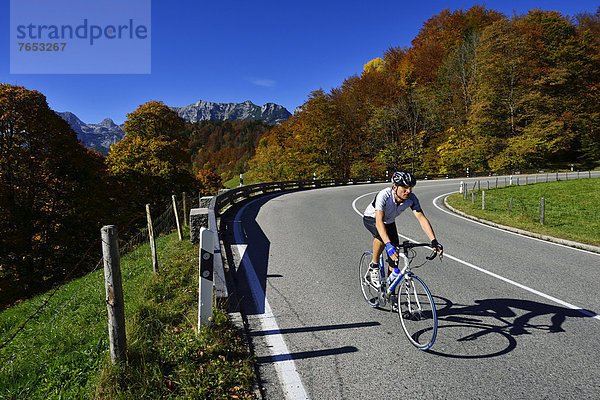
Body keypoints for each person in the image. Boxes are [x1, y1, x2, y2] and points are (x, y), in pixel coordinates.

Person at [363, 171, 443, 288]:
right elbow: (379, 222)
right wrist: (388, 245)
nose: (408, 191)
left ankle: (391, 293)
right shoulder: (384, 195)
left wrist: (434, 241)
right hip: (372, 218)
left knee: (394, 261)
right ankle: (374, 266)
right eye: (405, 187)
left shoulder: (412, 198)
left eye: (411, 188)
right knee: (382, 238)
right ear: (395, 187)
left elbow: (421, 218)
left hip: (389, 222)